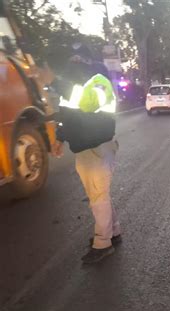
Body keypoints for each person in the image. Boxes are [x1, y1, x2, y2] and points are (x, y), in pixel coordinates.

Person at [51, 43, 121, 264]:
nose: (74, 61)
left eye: (79, 58)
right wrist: (60, 137)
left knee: (98, 197)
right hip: (85, 148)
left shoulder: (97, 80)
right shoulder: (73, 86)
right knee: (99, 195)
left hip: (97, 147)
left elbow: (86, 102)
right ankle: (114, 231)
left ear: (89, 61)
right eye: (72, 58)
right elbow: (68, 114)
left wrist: (53, 80)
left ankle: (103, 243)